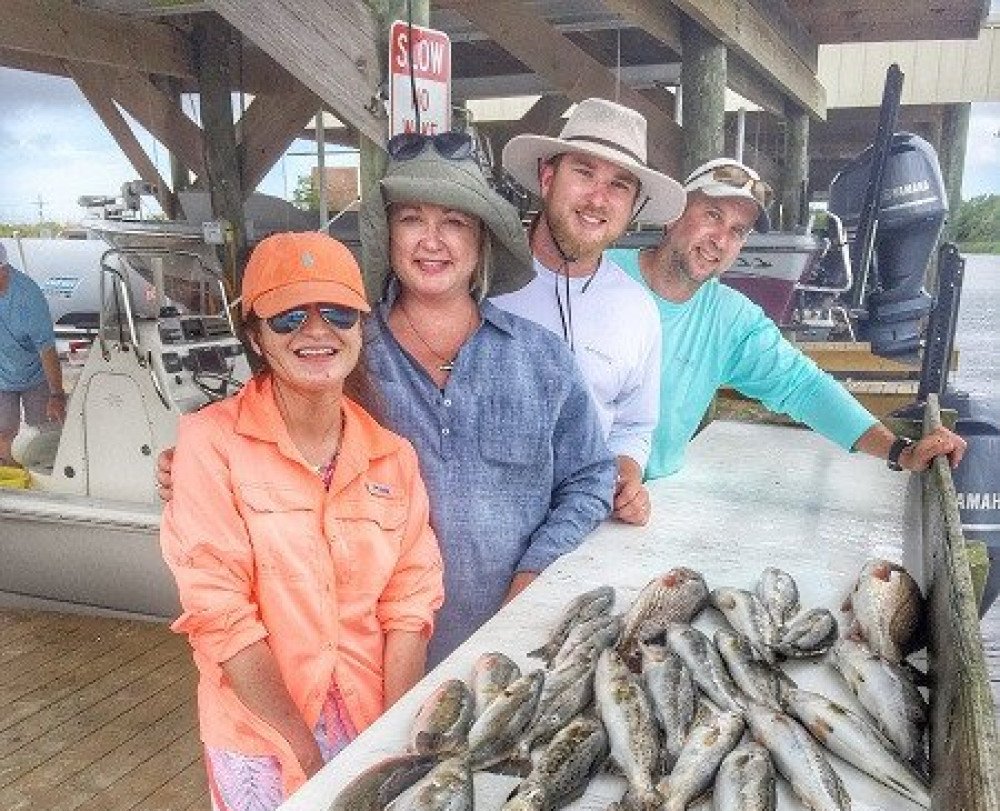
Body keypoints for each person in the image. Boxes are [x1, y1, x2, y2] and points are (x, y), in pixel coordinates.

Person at [159, 232, 444, 811]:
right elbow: (220, 614)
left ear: (361, 327)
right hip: (263, 732)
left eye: (337, 312)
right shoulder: (209, 444)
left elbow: (409, 605)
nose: (316, 332)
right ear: (256, 336)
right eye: (289, 317)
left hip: (371, 722)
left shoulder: (394, 456)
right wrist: (302, 754)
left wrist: (393, 743)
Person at [356, 133, 615, 663]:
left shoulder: (542, 357)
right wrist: (200, 463)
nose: (432, 241)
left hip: (517, 651)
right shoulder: (348, 355)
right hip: (373, 662)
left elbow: (590, 478)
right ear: (387, 236)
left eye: (454, 222)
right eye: (411, 219)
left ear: (482, 242)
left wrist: (534, 575)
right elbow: (274, 448)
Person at [611, 157, 966, 476]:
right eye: (712, 215)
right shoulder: (598, 277)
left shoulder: (731, 319)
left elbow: (805, 387)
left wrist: (900, 451)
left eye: (737, 231)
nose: (720, 239)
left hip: (646, 506)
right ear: (673, 215)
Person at [494, 98, 686, 525]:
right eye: (583, 172)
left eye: (620, 185)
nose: (598, 199)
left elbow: (634, 428)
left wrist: (627, 480)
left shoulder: (638, 310)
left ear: (634, 207)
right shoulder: (479, 283)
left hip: (583, 531)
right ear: (547, 177)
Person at [0, 241, 67, 466]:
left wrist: (57, 395)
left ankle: (41, 480)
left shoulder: (28, 295)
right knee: (4, 433)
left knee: (42, 435)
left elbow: (46, 349)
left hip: (36, 375)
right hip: (2, 377)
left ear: (2, 268)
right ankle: (12, 481)